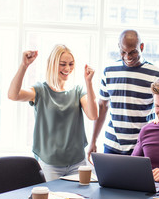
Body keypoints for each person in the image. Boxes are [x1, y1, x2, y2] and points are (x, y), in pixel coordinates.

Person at [8, 44, 98, 181]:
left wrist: (89, 83)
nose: (67, 69)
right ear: (52, 64)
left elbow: (93, 115)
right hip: (50, 165)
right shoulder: (40, 90)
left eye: (71, 64)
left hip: (77, 162)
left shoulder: (78, 90)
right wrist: (24, 66)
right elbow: (13, 95)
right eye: (62, 64)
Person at [88, 30, 159, 160]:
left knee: (138, 181)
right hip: (111, 145)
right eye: (123, 52)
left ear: (141, 47)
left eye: (133, 52)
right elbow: (102, 107)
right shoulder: (109, 71)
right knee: (109, 181)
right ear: (119, 47)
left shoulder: (157, 75)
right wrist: (93, 140)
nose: (128, 57)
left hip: (142, 146)